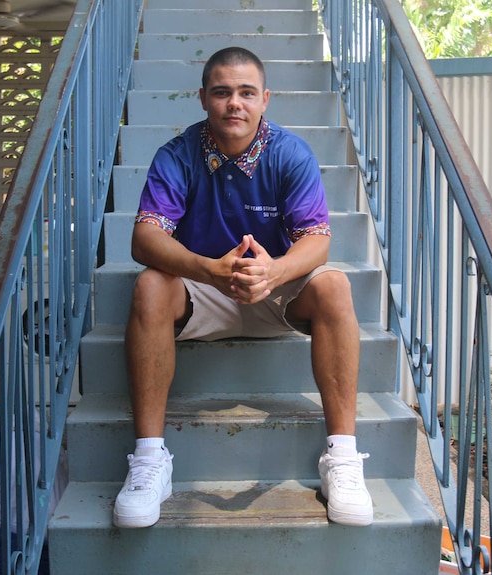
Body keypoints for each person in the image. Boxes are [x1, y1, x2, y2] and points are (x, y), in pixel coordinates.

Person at [113, 46, 373, 529]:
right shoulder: (178, 154)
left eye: (246, 92)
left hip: (276, 290)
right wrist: (209, 269)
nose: (235, 103)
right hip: (202, 289)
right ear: (203, 99)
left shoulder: (290, 154)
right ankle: (150, 460)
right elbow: (143, 238)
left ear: (265, 99)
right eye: (222, 92)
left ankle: (342, 458)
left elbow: (317, 238)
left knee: (335, 285)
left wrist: (273, 272)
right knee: (150, 286)